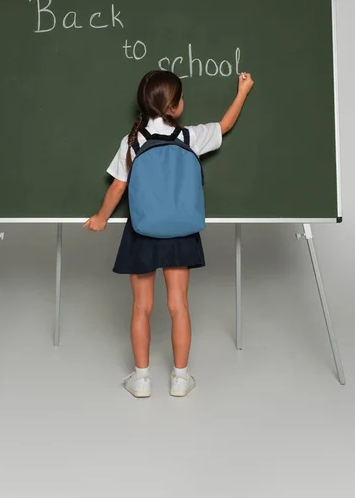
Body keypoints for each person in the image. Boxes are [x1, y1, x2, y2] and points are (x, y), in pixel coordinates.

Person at [84, 70, 254, 398]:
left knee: (141, 308)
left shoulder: (132, 141)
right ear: (174, 108)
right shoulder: (189, 138)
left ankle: (142, 379)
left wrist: (100, 218)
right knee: (179, 306)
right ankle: (180, 379)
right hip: (180, 231)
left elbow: (118, 187)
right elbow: (224, 126)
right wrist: (243, 91)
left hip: (142, 231)